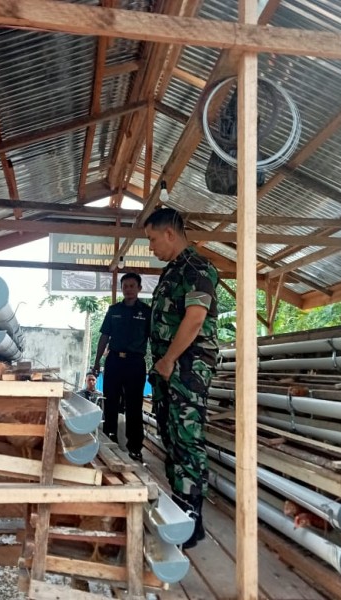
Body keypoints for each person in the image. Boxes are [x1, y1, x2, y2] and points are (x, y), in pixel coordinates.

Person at [144, 208, 218, 549]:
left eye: (152, 239)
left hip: (187, 367)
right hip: (167, 368)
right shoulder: (171, 272)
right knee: (171, 434)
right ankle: (180, 508)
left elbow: (195, 318)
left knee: (186, 437)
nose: (151, 247)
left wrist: (170, 359)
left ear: (169, 234)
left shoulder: (197, 268)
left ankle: (191, 517)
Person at [92, 272, 151, 462]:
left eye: (132, 286)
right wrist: (97, 362)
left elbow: (154, 339)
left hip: (135, 363)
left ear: (139, 289)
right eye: (125, 286)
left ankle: (135, 447)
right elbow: (104, 337)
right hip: (115, 361)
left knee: (134, 405)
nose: (128, 289)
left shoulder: (147, 312)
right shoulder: (113, 310)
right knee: (111, 402)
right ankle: (110, 439)